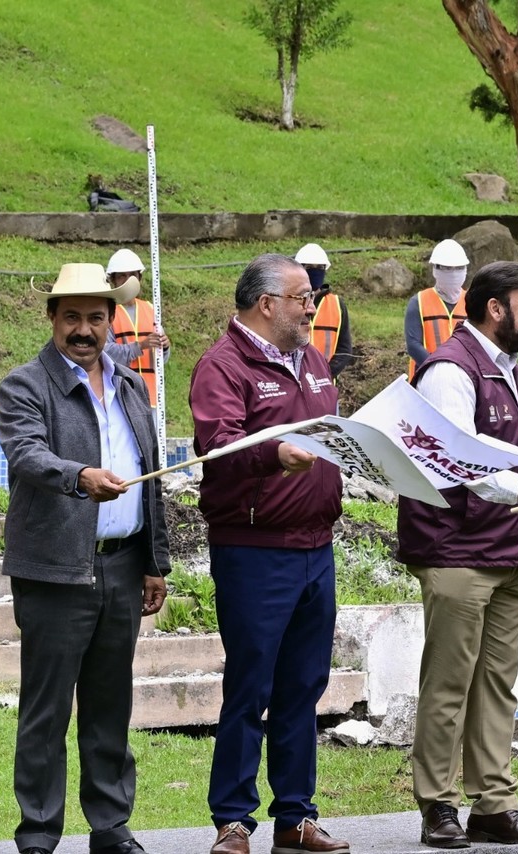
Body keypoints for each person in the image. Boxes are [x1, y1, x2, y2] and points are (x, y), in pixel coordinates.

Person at [0, 262, 170, 854]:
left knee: (109, 702)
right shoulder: (25, 385)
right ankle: (39, 833)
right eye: (71, 316)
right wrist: (80, 477)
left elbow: (152, 476)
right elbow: (26, 456)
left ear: (112, 322)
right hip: (54, 570)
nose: (84, 329)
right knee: (46, 709)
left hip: (123, 565)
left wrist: (155, 562)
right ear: (52, 319)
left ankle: (110, 827)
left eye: (96, 316)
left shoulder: (130, 384)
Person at [397, 261, 518, 849]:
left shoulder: (516, 375)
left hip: (508, 550)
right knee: (449, 684)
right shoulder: (449, 371)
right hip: (455, 552)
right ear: (496, 309)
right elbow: (449, 457)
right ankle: (438, 805)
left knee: (497, 685)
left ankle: (494, 803)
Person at [189, 254, 349, 854]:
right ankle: (232, 818)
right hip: (255, 549)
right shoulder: (222, 365)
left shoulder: (312, 361)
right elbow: (219, 445)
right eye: (303, 296)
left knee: (304, 687)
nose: (312, 306)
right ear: (267, 304)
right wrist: (274, 453)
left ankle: (296, 816)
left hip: (317, 546)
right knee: (250, 685)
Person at [103, 249, 171, 409]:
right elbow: (105, 353)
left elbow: (162, 359)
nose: (128, 280)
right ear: (113, 280)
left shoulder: (150, 309)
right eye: (121, 276)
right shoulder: (106, 313)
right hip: (120, 396)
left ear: (139, 277)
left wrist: (165, 347)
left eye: (132, 275)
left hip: (151, 397)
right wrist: (139, 347)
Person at [405, 238, 470, 379]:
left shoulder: (472, 302)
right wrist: (438, 369)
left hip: (465, 378)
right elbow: (413, 345)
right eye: (446, 268)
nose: (453, 273)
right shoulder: (419, 302)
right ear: (435, 269)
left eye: (459, 268)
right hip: (425, 379)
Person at [295, 243, 354, 379]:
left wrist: (326, 374)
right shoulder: (287, 301)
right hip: (294, 386)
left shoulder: (337, 305)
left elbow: (344, 349)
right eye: (309, 267)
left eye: (320, 268)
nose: (315, 272)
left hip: (325, 387)